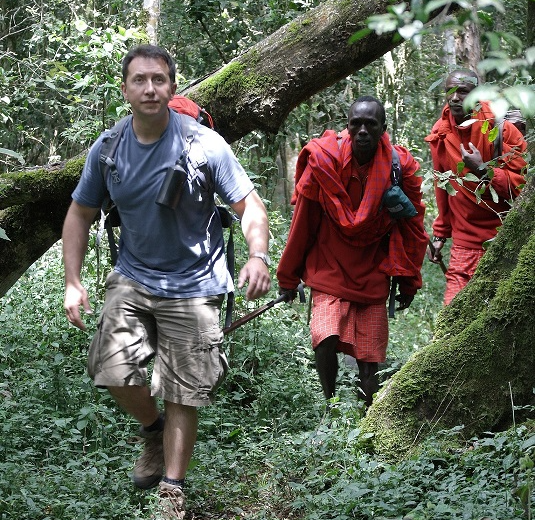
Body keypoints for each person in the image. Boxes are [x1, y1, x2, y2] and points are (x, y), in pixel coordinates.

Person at [62, 44, 271, 519]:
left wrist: (258, 255)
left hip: (195, 284)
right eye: (140, 80)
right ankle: (152, 429)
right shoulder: (109, 148)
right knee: (110, 369)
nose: (150, 88)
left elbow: (250, 207)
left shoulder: (205, 145)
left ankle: (172, 492)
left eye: (159, 79)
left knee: (183, 390)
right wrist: (73, 280)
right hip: (134, 277)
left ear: (172, 87)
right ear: (125, 89)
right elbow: (79, 212)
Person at [276, 96, 428, 408]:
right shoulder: (325, 160)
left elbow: (413, 227)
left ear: (383, 129)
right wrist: (287, 277)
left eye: (370, 124)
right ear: (347, 126)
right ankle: (330, 406)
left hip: (373, 272)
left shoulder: (400, 168)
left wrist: (410, 278)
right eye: (355, 123)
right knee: (325, 339)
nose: (361, 131)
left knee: (369, 357)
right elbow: (302, 223)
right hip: (328, 267)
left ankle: (367, 419)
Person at [425, 69, 527, 305]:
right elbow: (443, 186)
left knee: (497, 318)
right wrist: (441, 232)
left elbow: (521, 188)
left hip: (502, 241)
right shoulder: (440, 133)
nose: (455, 98)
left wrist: (483, 169)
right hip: (463, 245)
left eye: (462, 91)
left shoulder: (502, 129)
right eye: (450, 91)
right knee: (452, 318)